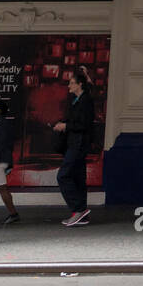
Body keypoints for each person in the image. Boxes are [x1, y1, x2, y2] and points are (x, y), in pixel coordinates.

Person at [53, 74, 95, 227]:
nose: (69, 86)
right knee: (78, 177)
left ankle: (78, 209)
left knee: (63, 175)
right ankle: (81, 214)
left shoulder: (86, 101)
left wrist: (66, 126)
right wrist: (63, 123)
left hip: (79, 144)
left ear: (80, 84)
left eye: (72, 83)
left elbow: (84, 124)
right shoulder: (75, 101)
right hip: (74, 143)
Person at [0, 101, 21, 225]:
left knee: (0, 188)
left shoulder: (0, 123)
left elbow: (1, 143)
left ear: (0, 111)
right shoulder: (0, 122)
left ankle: (13, 214)